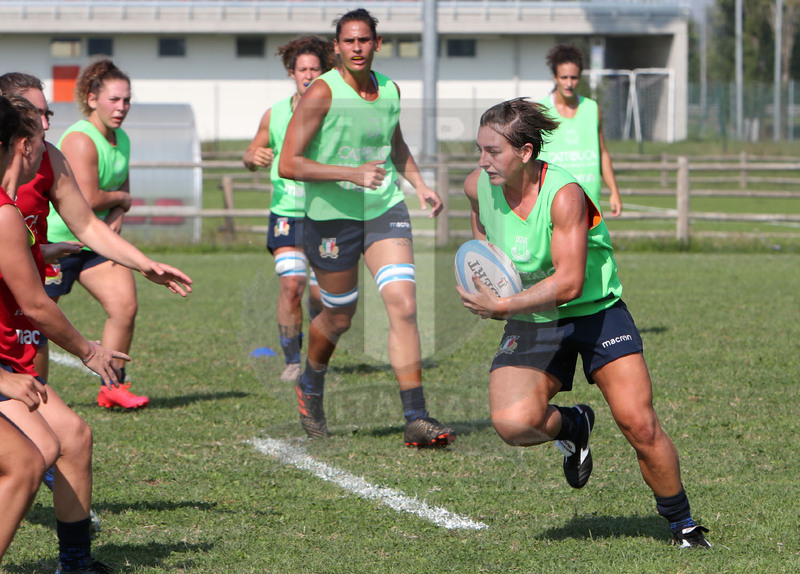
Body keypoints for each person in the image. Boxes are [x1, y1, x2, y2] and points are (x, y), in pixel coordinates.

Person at [458, 98, 710, 548]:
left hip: (594, 310)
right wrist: (489, 267)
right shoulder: (477, 186)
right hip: (534, 315)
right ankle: (574, 427)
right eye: (479, 149)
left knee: (639, 424)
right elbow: (482, 231)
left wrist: (504, 304)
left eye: (493, 151)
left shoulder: (565, 195)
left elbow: (571, 282)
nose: (482, 161)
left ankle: (682, 523)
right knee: (513, 423)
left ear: (526, 152)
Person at [279, 8, 456, 448]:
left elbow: (394, 144)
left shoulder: (391, 90)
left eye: (364, 40)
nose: (357, 47)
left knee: (404, 304)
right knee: (339, 316)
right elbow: (288, 163)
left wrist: (419, 185)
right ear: (336, 47)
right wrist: (350, 172)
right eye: (348, 41)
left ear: (377, 44)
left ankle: (416, 415)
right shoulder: (322, 92)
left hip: (383, 208)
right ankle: (311, 383)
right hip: (331, 219)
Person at [0, 94, 129, 573]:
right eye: (37, 125)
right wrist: (88, 350)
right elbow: (35, 303)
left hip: (10, 358)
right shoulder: (4, 213)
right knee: (29, 461)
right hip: (5, 359)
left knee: (67, 440)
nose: (47, 132)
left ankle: (75, 564)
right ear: (21, 145)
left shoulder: (12, 211)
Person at [44, 59, 146, 409]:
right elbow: (88, 200)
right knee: (38, 322)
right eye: (114, 100)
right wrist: (122, 199)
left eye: (126, 100)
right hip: (62, 243)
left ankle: (112, 387)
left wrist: (119, 208)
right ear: (91, 99)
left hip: (97, 241)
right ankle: (34, 392)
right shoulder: (80, 139)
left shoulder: (122, 139)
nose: (121, 108)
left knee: (124, 306)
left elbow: (121, 193)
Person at [243, 35, 331, 382]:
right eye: (302, 69)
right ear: (291, 73)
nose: (308, 74)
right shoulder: (275, 113)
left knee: (320, 296)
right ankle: (292, 359)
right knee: (291, 285)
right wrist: (254, 156)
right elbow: (251, 154)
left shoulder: (333, 110)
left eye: (315, 69)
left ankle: (316, 342)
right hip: (286, 212)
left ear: (324, 73)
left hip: (326, 211)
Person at [537, 43, 623, 217]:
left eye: (574, 78)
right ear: (555, 77)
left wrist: (614, 190)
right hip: (553, 204)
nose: (569, 83)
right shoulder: (541, 111)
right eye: (564, 77)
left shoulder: (592, 108)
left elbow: (602, 152)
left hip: (590, 205)